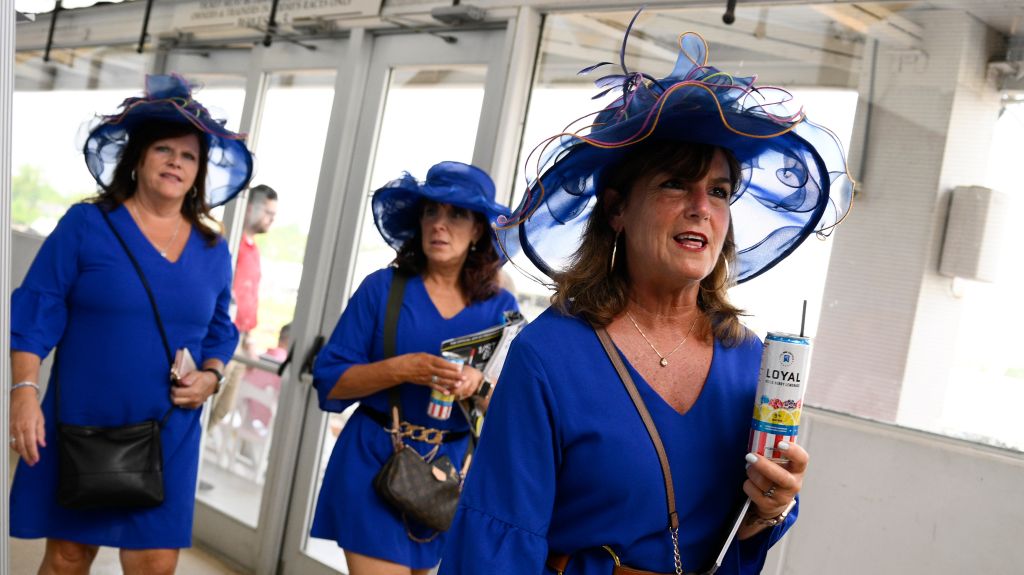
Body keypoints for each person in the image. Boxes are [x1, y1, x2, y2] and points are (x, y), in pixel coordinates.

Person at [440, 25, 852, 575]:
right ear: (616, 209)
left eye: (721, 191)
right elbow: (497, 544)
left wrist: (766, 511)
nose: (702, 207)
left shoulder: (750, 360)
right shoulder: (550, 356)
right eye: (675, 185)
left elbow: (733, 539)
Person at [8, 74, 253, 574]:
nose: (175, 163)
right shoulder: (86, 225)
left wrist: (210, 376)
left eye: (188, 156)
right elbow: (38, 306)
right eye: (163, 149)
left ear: (199, 173)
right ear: (137, 160)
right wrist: (24, 390)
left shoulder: (212, 248)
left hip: (169, 427)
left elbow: (221, 329)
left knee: (155, 561)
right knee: (69, 557)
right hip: (82, 417)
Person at [310, 161, 519, 575]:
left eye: (457, 214)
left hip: (449, 475)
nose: (440, 225)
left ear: (478, 229)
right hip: (375, 459)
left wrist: (478, 387)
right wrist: (401, 369)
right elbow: (329, 382)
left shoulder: (500, 309)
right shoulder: (381, 289)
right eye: (431, 212)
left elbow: (513, 412)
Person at [209, 183, 278, 428]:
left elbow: (249, 298)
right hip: (222, 336)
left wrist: (249, 338)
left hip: (240, 339)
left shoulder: (253, 250)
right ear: (250, 209)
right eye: (268, 213)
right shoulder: (228, 245)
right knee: (209, 405)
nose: (271, 220)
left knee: (222, 408)